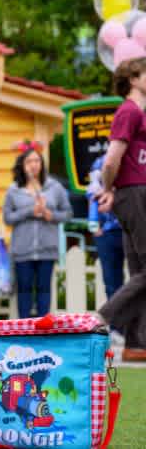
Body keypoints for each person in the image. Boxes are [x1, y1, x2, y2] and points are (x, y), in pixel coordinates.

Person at [97, 57, 146, 361]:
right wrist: (108, 188)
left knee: (139, 271)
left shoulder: (138, 112)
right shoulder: (128, 111)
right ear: (133, 79)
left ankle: (136, 344)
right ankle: (102, 318)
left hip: (132, 193)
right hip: (135, 194)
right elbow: (112, 158)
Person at [2, 144, 72, 318]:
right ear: (22, 165)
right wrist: (29, 211)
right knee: (24, 288)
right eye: (29, 161)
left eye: (37, 160)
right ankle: (24, 327)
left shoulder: (54, 187)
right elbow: (7, 218)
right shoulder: (13, 190)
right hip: (22, 249)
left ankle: (43, 327)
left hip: (47, 248)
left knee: (44, 288)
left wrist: (50, 215)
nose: (33, 164)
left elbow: (68, 213)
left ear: (42, 164)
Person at [87, 155, 125, 301]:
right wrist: (94, 227)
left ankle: (138, 322)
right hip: (106, 231)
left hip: (131, 229)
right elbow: (93, 195)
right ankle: (116, 323)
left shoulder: (135, 158)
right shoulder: (99, 162)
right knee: (111, 282)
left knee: (138, 278)